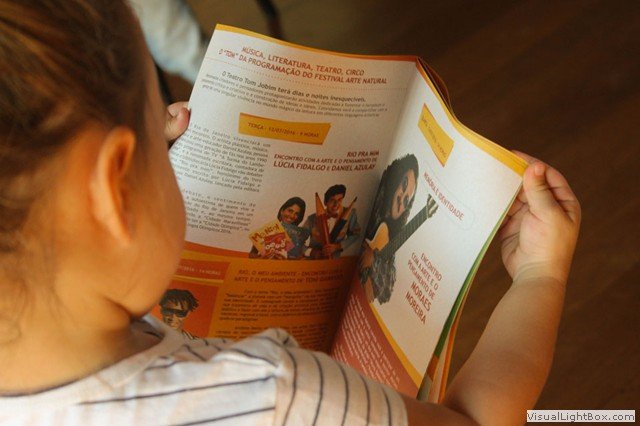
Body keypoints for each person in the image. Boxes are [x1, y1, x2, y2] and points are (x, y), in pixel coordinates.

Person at [0, 1, 581, 424]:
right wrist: (540, 276)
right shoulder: (272, 394)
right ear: (113, 192)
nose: (181, 123)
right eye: (162, 122)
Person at [360, 154, 420, 303]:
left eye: (407, 200)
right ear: (395, 180)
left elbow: (372, 299)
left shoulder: (389, 253)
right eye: (404, 185)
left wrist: (367, 267)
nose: (401, 199)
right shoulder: (374, 208)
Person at [303, 184, 361, 259]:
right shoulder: (311, 219)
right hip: (314, 261)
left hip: (334, 262)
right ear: (325, 202)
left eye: (339, 200)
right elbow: (298, 241)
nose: (336, 204)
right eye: (332, 200)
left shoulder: (350, 214)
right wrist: (312, 252)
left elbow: (356, 234)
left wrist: (338, 246)